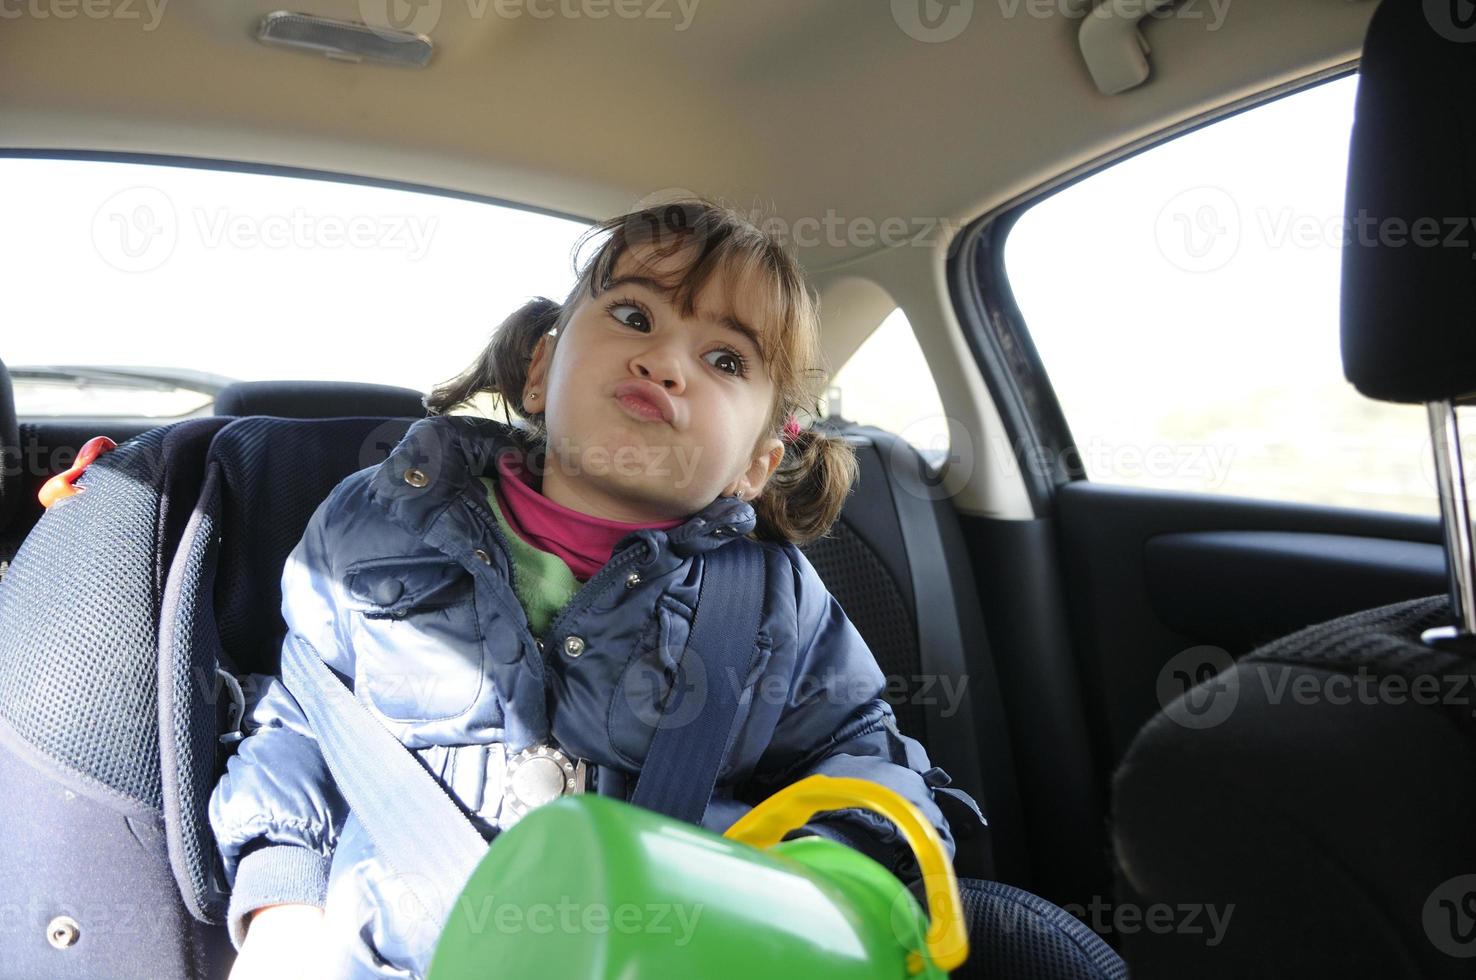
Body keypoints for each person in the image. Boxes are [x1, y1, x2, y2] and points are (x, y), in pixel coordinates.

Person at [208, 198, 986, 979]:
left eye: (724, 361)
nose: (665, 363)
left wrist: (812, 893)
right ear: (541, 370)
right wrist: (285, 908)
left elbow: (862, 759)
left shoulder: (774, 605)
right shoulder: (377, 522)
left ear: (756, 461)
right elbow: (304, 722)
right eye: (634, 315)